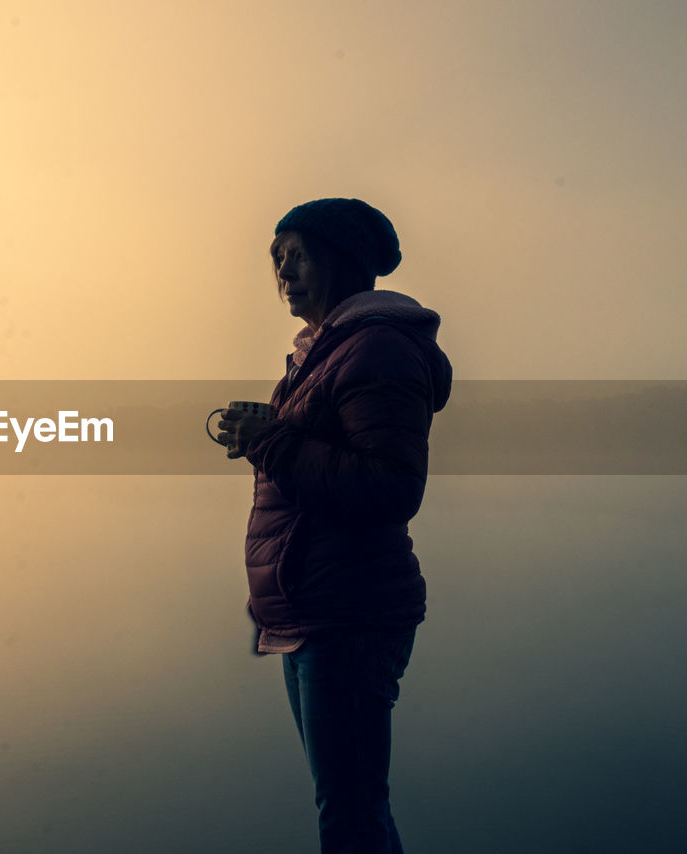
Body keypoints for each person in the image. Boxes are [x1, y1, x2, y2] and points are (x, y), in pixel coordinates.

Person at [215, 198, 453, 854]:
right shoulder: (320, 355)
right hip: (311, 611)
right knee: (353, 808)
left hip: (349, 616)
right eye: (277, 257)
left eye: (298, 253)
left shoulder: (376, 350)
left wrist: (271, 442)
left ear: (342, 262)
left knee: (349, 814)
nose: (283, 269)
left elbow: (391, 487)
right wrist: (265, 434)